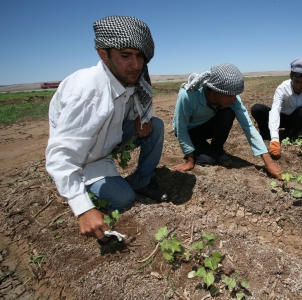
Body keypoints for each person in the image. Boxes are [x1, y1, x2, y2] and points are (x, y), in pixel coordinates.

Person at [45, 16, 168, 242]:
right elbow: (59, 156)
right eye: (125, 56)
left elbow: (126, 109)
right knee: (123, 200)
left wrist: (139, 117)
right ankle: (79, 186)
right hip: (85, 159)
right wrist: (83, 209)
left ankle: (142, 180)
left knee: (156, 125)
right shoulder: (88, 92)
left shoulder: (125, 80)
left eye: (139, 56)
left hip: (108, 142)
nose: (136, 65)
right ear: (104, 54)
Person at [171, 63, 282, 179]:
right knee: (209, 160)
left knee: (228, 112)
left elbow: (248, 126)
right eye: (230, 95)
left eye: (235, 95)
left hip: (206, 124)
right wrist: (190, 161)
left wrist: (269, 163)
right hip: (190, 130)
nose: (234, 100)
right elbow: (181, 128)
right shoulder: (188, 96)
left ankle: (217, 149)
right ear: (214, 90)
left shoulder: (231, 96)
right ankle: (203, 152)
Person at [251, 57, 302, 158]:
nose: (299, 86)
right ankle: (266, 135)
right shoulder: (282, 88)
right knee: (257, 109)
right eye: (296, 81)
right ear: (291, 76)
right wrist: (274, 139)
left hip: (294, 118)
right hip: (281, 116)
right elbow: (275, 110)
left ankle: (291, 134)